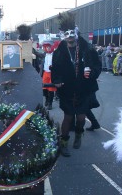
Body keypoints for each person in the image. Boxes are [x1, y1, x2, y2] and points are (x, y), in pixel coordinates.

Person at [51, 17, 101, 157]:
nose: (69, 38)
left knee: (80, 118)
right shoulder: (60, 49)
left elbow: (97, 65)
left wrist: (92, 72)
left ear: (76, 33)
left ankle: (79, 135)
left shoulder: (86, 47)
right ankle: (64, 143)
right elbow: (55, 68)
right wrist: (57, 80)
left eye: (71, 34)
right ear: (63, 35)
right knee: (67, 117)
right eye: (66, 35)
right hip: (67, 89)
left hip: (83, 89)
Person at [41, 41, 57, 110]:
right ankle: (47, 99)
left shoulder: (55, 54)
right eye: (46, 47)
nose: (47, 48)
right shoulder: (44, 54)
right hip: (45, 73)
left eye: (49, 47)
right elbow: (38, 55)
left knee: (51, 89)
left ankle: (50, 103)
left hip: (52, 74)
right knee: (44, 88)